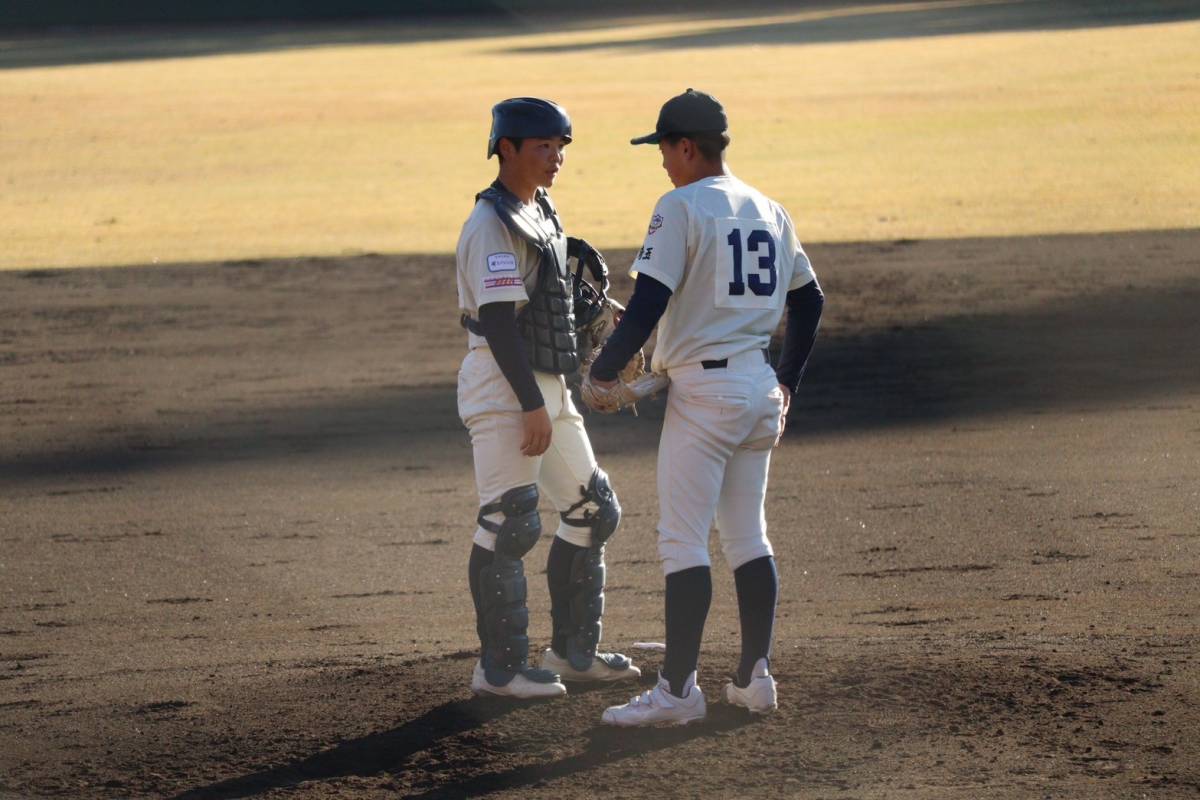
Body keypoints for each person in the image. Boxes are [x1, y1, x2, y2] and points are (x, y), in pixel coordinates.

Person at [588, 89, 824, 725]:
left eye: (665, 148)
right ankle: (754, 678)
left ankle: (677, 692)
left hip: (705, 397)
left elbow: (648, 303)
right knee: (748, 533)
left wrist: (604, 371)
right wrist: (788, 382)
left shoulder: (680, 206)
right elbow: (810, 300)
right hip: (759, 390)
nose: (662, 161)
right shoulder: (771, 210)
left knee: (682, 541)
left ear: (688, 147)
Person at [455, 97, 641, 699]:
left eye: (561, 147)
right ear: (506, 149)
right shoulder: (491, 224)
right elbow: (498, 322)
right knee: (508, 521)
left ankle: (572, 654)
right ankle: (499, 670)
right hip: (506, 384)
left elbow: (544, 301)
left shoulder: (540, 210)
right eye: (543, 146)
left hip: (546, 383)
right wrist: (530, 405)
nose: (556, 156)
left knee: (592, 511)